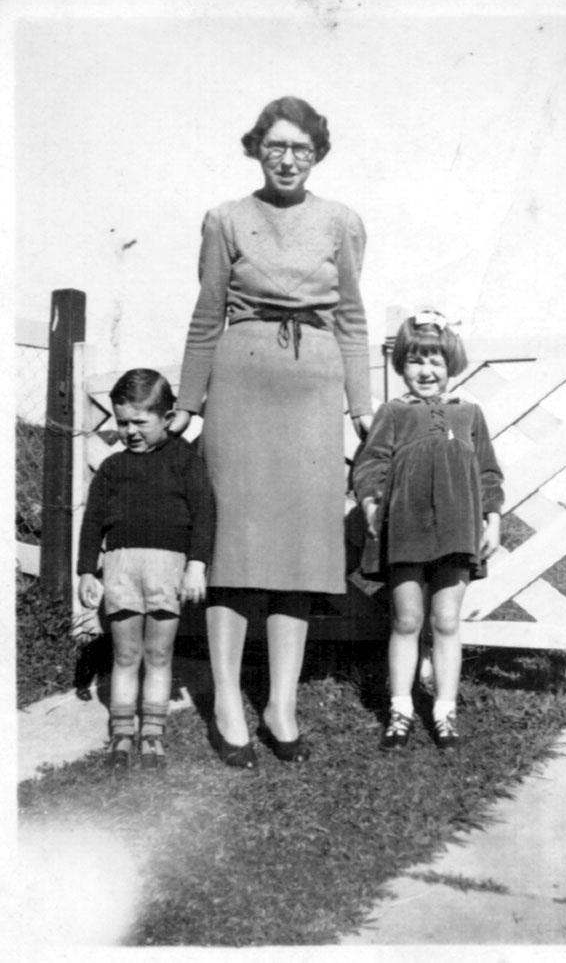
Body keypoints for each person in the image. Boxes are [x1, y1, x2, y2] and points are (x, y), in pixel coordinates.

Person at [171, 96, 373, 768]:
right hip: (241, 385)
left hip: (313, 391)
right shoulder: (226, 219)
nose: (288, 158)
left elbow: (352, 320)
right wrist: (190, 402)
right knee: (234, 551)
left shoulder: (342, 222)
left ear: (318, 154)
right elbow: (206, 314)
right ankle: (228, 701)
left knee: (300, 557)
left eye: (302, 148)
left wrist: (360, 405)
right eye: (276, 146)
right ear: (257, 148)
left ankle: (281, 705)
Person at [352, 311, 504, 751]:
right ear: (402, 365)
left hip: (457, 530)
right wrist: (372, 502)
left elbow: (489, 473)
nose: (426, 371)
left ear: (451, 365)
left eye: (436, 361)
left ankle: (444, 711)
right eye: (417, 361)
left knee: (446, 620)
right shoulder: (394, 412)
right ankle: (399, 709)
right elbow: (370, 464)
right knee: (407, 619)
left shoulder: (470, 414)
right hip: (405, 529)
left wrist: (491, 521)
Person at [77, 369, 215, 771]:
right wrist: (87, 570)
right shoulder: (112, 468)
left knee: (158, 654)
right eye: (122, 422)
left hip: (167, 572)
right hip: (121, 569)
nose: (130, 431)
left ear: (168, 418)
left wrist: (196, 566)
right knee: (126, 653)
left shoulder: (185, 462)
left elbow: (205, 514)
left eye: (141, 422)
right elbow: (92, 523)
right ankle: (121, 733)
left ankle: (152, 733)